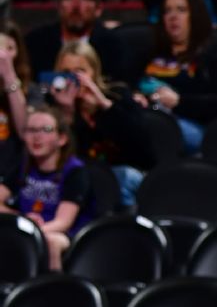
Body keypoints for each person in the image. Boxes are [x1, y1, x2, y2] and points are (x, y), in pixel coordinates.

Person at [135, 0, 217, 154]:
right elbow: (124, 84)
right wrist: (135, 96)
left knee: (158, 129)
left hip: (193, 126)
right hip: (146, 116)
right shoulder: (148, 53)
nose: (173, 16)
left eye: (181, 10)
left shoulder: (216, 56)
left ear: (196, 15)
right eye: (167, 11)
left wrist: (179, 102)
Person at [50, 42, 155, 208]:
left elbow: (143, 149)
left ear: (94, 71)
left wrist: (105, 106)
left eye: (80, 72)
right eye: (66, 72)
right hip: (79, 178)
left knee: (126, 177)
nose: (73, 79)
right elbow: (68, 160)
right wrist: (68, 113)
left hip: (122, 172)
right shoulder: (53, 107)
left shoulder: (118, 95)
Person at [0, 105, 91, 271]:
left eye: (46, 130)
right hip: (29, 226)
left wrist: (30, 230)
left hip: (65, 234)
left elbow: (63, 222)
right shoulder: (24, 166)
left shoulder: (75, 171)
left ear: (62, 139)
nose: (37, 136)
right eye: (31, 130)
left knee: (50, 241)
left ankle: (54, 285)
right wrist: (21, 218)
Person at [25, 0, 131, 84]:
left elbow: (120, 87)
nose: (76, 6)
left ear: (98, 9)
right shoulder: (36, 42)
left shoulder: (112, 45)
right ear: (59, 7)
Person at [0, 21, 32, 176]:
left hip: (13, 172)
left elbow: (24, 131)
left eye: (9, 48)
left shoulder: (31, 90)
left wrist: (8, 76)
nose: (3, 56)